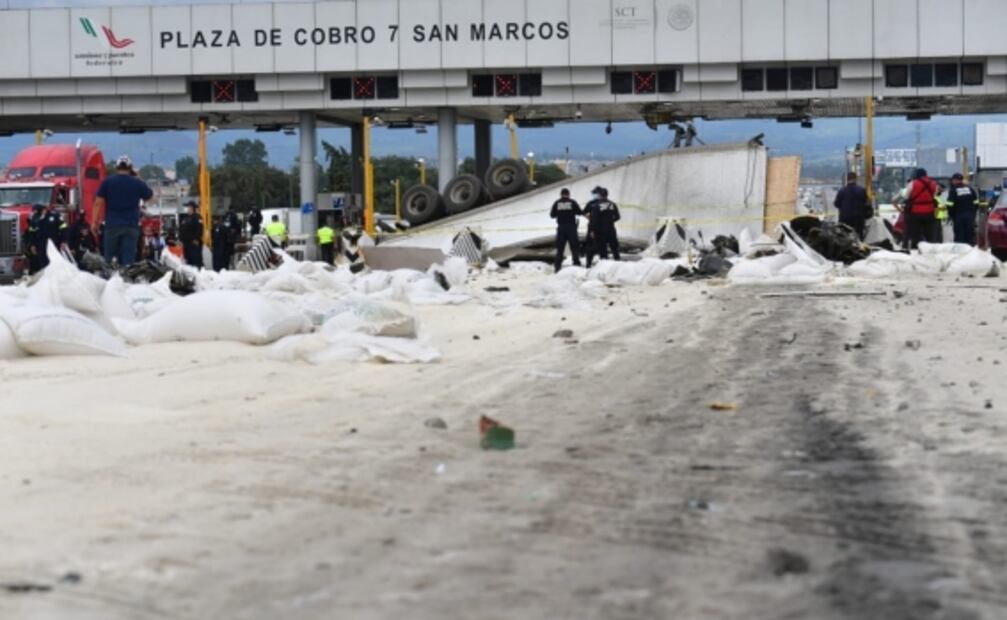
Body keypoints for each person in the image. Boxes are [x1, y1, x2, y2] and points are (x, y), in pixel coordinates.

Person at [91, 155, 153, 266]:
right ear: (130, 168)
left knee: (109, 259)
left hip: (112, 225)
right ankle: (126, 280)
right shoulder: (137, 183)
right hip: (131, 225)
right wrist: (137, 178)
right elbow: (149, 197)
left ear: (116, 167)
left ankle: (110, 279)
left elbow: (97, 203)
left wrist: (94, 223)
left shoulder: (107, 182)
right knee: (128, 260)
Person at [893, 168, 939, 250]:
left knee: (916, 235)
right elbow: (934, 195)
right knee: (929, 235)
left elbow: (907, 196)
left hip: (915, 213)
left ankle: (915, 250)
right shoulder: (934, 184)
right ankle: (930, 251)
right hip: (930, 213)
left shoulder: (913, 183)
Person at [584, 186, 621, 268]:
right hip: (611, 229)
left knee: (602, 250)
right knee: (614, 248)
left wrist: (592, 230)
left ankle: (605, 267)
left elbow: (594, 220)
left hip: (600, 231)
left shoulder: (597, 205)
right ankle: (618, 265)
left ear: (600, 195)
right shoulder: (612, 204)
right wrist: (610, 221)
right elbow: (618, 217)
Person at [549, 188, 583, 273]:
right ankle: (576, 265)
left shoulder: (557, 203)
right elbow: (579, 212)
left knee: (560, 249)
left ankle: (557, 267)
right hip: (571, 227)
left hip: (561, 228)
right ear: (568, 194)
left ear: (561, 194)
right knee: (574, 247)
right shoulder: (572, 202)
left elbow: (552, 215)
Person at [833, 172, 871, 239]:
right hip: (858, 220)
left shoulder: (841, 191)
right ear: (856, 179)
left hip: (844, 220)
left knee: (845, 239)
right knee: (859, 239)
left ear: (847, 179)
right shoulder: (862, 190)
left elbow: (836, 204)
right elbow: (867, 204)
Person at [946, 173, 979, 246]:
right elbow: (976, 203)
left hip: (958, 216)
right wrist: (973, 213)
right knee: (969, 235)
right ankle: (971, 251)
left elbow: (949, 205)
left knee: (959, 236)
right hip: (970, 216)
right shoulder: (970, 189)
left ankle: (960, 252)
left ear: (955, 180)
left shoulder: (953, 190)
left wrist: (952, 215)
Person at [179, 200, 204, 268]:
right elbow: (181, 230)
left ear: (192, 208)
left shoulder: (197, 217)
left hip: (193, 243)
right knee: (188, 262)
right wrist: (180, 239)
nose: (187, 209)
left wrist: (195, 239)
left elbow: (200, 229)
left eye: (188, 207)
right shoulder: (185, 218)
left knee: (196, 262)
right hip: (186, 244)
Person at [24, 204, 44, 274]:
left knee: (34, 260)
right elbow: (32, 232)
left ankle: (34, 272)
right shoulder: (37, 220)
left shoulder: (33, 219)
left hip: (34, 244)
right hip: (36, 244)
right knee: (36, 260)